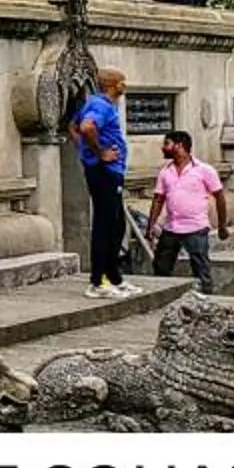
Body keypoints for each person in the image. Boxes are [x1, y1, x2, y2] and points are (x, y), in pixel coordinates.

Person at [74, 68, 137, 298]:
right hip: (104, 171)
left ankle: (113, 277)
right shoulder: (100, 105)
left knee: (117, 224)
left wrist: (84, 151)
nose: (125, 86)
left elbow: (74, 126)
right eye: (122, 82)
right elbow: (86, 127)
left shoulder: (99, 105)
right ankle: (98, 281)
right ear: (112, 84)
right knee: (105, 225)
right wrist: (98, 153)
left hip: (110, 171)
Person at [147, 130, 228, 293]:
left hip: (196, 227)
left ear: (179, 146)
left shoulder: (204, 170)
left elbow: (219, 197)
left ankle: (206, 300)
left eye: (167, 144)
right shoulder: (165, 172)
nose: (163, 148)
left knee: (201, 268)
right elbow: (158, 199)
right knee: (161, 267)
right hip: (171, 228)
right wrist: (151, 225)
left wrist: (222, 225)